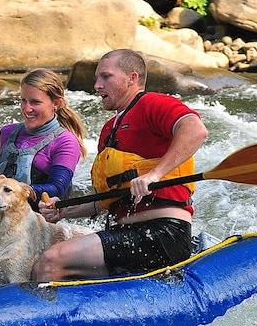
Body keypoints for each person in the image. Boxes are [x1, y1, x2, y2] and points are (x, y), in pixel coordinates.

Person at [34, 49, 208, 281]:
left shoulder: (153, 103)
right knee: (49, 265)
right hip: (124, 234)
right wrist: (64, 209)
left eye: (106, 77)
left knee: (52, 260)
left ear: (132, 78)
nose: (97, 85)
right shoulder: (109, 129)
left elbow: (196, 130)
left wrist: (154, 175)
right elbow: (106, 200)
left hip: (163, 233)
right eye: (97, 78)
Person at [0, 68, 87, 268]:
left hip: (40, 228)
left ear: (57, 103)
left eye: (35, 102)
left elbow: (58, 188)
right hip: (1, 226)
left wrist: (18, 188)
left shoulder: (66, 142)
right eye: (23, 100)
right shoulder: (8, 133)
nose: (26, 109)